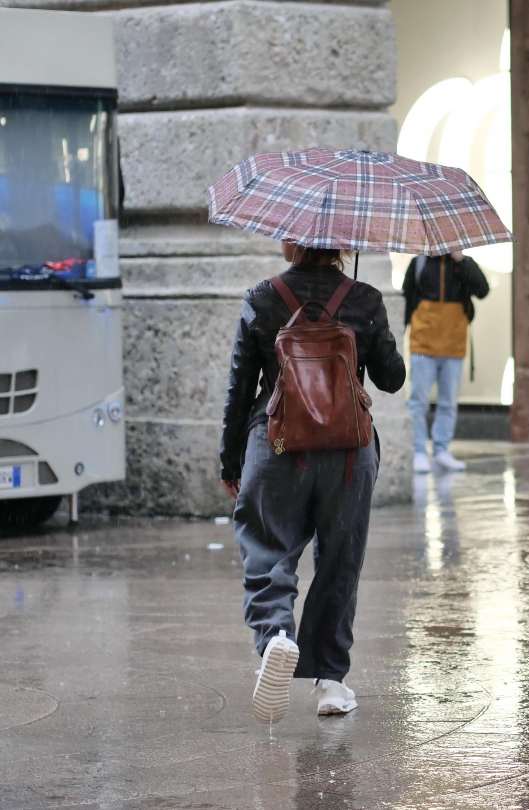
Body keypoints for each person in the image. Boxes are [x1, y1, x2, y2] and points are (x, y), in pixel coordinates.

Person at [220, 242, 406, 723]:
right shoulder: (362, 298)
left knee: (267, 549)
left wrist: (230, 461)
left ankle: (277, 637)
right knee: (340, 558)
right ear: (343, 245)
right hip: (348, 451)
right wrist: (365, 320)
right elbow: (391, 379)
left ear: (289, 243)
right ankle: (330, 682)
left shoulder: (263, 298)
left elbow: (239, 387)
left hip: (277, 443)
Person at [401, 250, 489, 473]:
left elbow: (482, 290)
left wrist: (462, 261)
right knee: (417, 401)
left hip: (453, 342)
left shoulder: (463, 264)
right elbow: (407, 300)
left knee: (448, 401)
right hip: (423, 342)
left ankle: (441, 450)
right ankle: (419, 450)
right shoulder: (419, 262)